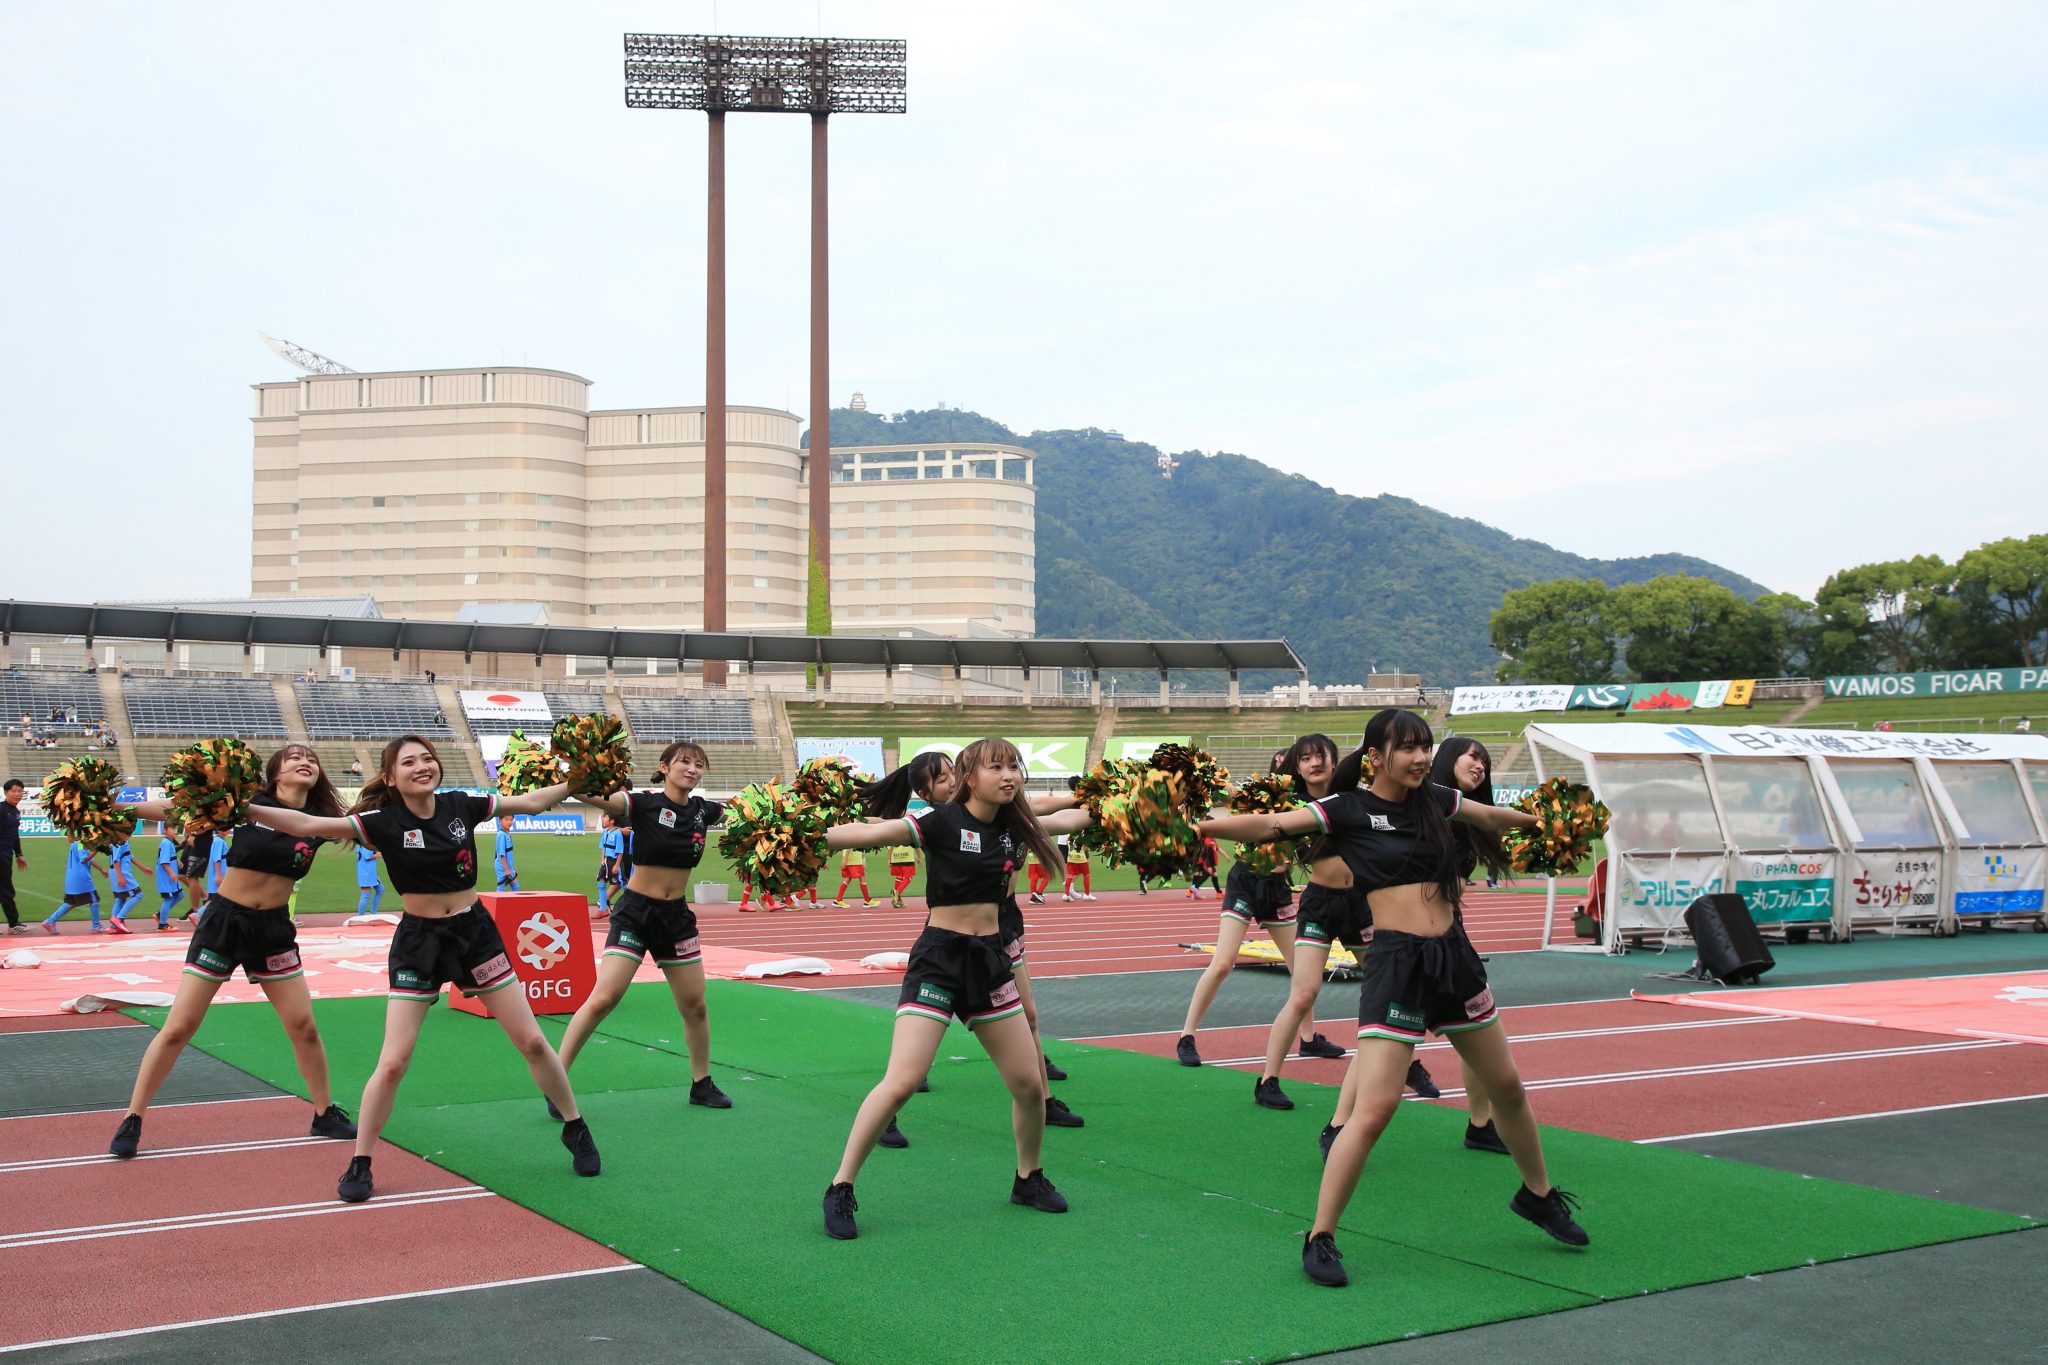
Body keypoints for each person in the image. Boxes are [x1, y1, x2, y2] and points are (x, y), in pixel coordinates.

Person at [1201, 709, 1586, 1286]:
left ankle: (1538, 1194)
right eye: (1407, 747)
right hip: (1398, 965)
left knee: (1506, 1087)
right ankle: (1320, 1235)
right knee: (1376, 1109)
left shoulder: (1437, 800)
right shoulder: (1347, 808)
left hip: (1454, 958)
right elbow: (1274, 826)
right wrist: (1204, 829)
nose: (1421, 757)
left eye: (1425, 746)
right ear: (1376, 755)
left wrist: (1546, 822)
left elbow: (1487, 815)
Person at [244, 734, 599, 1204]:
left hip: (475, 933)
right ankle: (361, 1159)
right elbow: (308, 823)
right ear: (391, 778)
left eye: (427, 758)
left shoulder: (461, 804)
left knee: (532, 1040)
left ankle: (575, 1126)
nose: (421, 767)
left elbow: (532, 802)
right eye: (408, 762)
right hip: (419, 942)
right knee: (393, 1062)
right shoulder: (381, 821)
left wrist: (580, 779)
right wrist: (241, 808)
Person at [820, 738, 1092, 1239]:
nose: (1008, 775)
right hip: (940, 960)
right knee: (902, 1081)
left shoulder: (1015, 824)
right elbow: (876, 831)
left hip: (990, 962)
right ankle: (841, 1185)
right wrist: (814, 836)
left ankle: (1028, 1178)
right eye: (996, 767)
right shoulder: (942, 821)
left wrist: (1126, 809)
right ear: (970, 776)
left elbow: (1070, 819)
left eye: (1014, 766)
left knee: (1029, 1085)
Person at [107, 744, 359, 1158]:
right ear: (275, 772)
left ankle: (323, 1112)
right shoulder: (245, 804)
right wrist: (118, 807)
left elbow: (373, 824)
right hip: (225, 923)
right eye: (295, 757)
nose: (306, 762)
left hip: (273, 930)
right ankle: (133, 1116)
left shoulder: (319, 821)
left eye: (312, 759)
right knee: (179, 1026)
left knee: (304, 1026)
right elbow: (178, 809)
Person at [557, 741, 732, 1111]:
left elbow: (746, 815)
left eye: (699, 764)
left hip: (676, 918)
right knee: (603, 999)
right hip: (636, 912)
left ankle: (701, 1084)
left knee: (695, 1006)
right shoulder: (643, 803)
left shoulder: (705, 810)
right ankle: (556, 1080)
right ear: (664, 767)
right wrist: (569, 778)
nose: (693, 769)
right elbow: (598, 798)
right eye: (684, 762)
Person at [1175, 747, 1344, 1068]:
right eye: (1282, 761)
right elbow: (1228, 794)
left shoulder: (1306, 804)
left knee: (1301, 970)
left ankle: (1309, 1039)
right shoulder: (1258, 796)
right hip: (1246, 881)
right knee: (1223, 963)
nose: (1283, 765)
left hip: (1276, 889)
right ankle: (1187, 1036)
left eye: (1287, 761)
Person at [1431, 737, 1514, 1154]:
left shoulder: (1470, 818)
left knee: (1477, 1032)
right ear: (1449, 759)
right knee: (1390, 1042)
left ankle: (1481, 1123)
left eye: (1485, 761)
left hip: (1450, 937)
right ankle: (1341, 1125)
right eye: (1473, 757)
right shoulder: (1427, 809)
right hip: (1413, 940)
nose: (1480, 766)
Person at [43, 840, 104, 933]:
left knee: (70, 902)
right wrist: (97, 850)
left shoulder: (76, 843)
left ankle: (50, 921)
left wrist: (101, 869)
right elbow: (84, 859)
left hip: (72, 877)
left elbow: (88, 859)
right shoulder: (80, 844)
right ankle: (96, 925)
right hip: (81, 878)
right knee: (94, 899)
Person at [104, 836, 144, 933]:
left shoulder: (123, 841)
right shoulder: (120, 842)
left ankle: (114, 927)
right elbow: (116, 860)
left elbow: (129, 855)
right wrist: (120, 876)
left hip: (115, 872)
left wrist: (143, 868)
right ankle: (119, 919)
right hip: (122, 872)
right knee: (138, 894)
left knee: (120, 898)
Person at [1, 778, 25, 933]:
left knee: (4, 889)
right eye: (13, 791)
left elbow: (14, 834)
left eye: (19, 791)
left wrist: (19, 854)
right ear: (6, 793)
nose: (17, 794)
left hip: (6, 855)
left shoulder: (15, 812)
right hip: (1, 855)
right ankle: (13, 924)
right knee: (6, 889)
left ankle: (13, 923)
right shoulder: (1, 810)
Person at [152, 824, 185, 928]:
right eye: (172, 828)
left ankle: (160, 915)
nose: (175, 830)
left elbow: (169, 856)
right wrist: (171, 872)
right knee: (169, 899)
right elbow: (164, 861)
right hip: (166, 876)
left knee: (180, 895)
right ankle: (162, 924)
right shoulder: (166, 843)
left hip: (170, 876)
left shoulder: (169, 842)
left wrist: (177, 861)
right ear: (165, 830)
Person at [596, 814, 623, 914]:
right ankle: (603, 908)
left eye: (606, 817)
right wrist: (602, 860)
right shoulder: (605, 832)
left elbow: (620, 851)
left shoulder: (617, 833)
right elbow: (603, 847)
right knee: (600, 881)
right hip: (605, 861)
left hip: (613, 861)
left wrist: (617, 865)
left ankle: (626, 905)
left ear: (612, 821)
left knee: (619, 884)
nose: (603, 819)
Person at [352, 841, 385, 921]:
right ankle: (360, 918)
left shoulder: (363, 843)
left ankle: (373, 914)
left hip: (369, 870)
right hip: (366, 871)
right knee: (366, 893)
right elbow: (367, 856)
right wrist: (382, 854)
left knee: (380, 889)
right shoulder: (366, 844)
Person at [1060, 833, 1094, 900]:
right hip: (1081, 859)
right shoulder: (1083, 836)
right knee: (1086, 875)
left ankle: (1066, 894)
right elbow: (1085, 848)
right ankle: (1087, 894)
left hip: (1071, 858)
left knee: (1070, 876)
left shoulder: (1069, 837)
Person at [886, 841, 919, 909]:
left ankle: (898, 901)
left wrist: (889, 859)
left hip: (895, 857)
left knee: (899, 877)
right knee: (909, 877)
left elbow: (889, 847)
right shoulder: (910, 833)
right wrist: (919, 857)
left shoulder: (892, 835)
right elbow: (916, 844)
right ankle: (897, 893)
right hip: (907, 857)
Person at [493, 818, 520, 891]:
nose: (509, 822)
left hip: (508, 867)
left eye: (511, 820)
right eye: (506, 820)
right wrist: (506, 869)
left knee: (516, 887)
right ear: (500, 821)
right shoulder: (501, 835)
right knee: (501, 888)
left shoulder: (507, 834)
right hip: (502, 867)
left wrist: (512, 867)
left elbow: (509, 853)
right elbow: (502, 854)